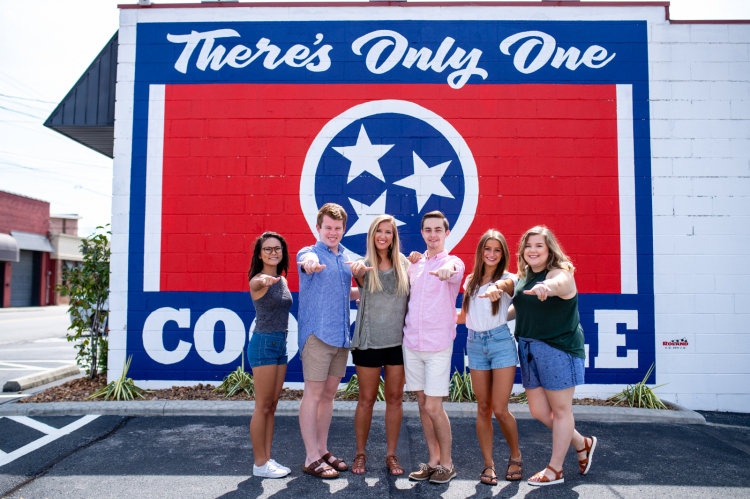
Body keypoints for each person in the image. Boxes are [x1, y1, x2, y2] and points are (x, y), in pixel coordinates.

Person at [509, 225, 597, 486]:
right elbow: (520, 308)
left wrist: (547, 286)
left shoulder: (561, 273)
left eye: (539, 246)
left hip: (558, 349)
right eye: (529, 245)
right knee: (538, 411)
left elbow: (559, 284)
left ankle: (555, 470)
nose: (533, 250)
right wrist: (489, 317)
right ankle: (583, 443)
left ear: (550, 250)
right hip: (528, 349)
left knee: (560, 411)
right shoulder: (524, 277)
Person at [347, 215, 413, 476]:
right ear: (372, 235)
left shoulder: (405, 264)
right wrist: (357, 275)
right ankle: (360, 454)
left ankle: (391, 455)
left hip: (397, 343)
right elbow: (358, 285)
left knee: (395, 399)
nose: (383, 236)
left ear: (394, 236)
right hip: (369, 342)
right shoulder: (362, 266)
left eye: (388, 232)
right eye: (379, 231)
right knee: (366, 399)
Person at [296, 203, 359, 479]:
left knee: (328, 396)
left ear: (343, 229)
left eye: (337, 228)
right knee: (312, 395)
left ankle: (322, 449)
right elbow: (306, 263)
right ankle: (310, 457)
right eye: (328, 228)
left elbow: (345, 292)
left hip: (340, 337)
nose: (333, 232)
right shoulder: (309, 253)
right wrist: (309, 265)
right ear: (318, 228)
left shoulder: (345, 257)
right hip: (317, 336)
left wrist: (374, 286)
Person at [403, 211, 465, 484]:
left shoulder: (453, 262)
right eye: (428, 230)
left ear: (446, 233)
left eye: (438, 229)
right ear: (423, 233)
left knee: (433, 406)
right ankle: (433, 461)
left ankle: (448, 464)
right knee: (422, 404)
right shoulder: (413, 265)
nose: (432, 234)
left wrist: (446, 271)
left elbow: (453, 272)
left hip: (438, 345)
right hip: (412, 343)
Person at [456, 230, 522, 485]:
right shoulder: (471, 280)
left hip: (501, 343)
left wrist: (496, 286)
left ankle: (515, 456)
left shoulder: (509, 279)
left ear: (503, 254)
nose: (492, 254)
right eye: (488, 249)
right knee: (482, 408)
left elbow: (506, 286)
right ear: (480, 251)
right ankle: (488, 465)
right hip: (474, 343)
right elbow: (463, 316)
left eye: (497, 250)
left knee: (500, 409)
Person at [247, 231, 293, 478]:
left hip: (280, 345)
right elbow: (256, 284)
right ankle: (259, 463)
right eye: (268, 249)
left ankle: (267, 459)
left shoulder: (283, 280)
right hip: (264, 343)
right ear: (259, 254)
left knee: (272, 406)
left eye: (278, 248)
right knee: (262, 406)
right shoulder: (258, 278)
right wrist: (263, 281)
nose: (274, 252)